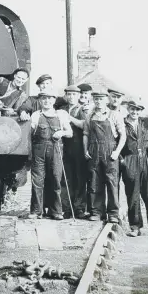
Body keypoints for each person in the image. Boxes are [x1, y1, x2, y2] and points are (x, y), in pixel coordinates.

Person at [28, 89, 73, 220]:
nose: (46, 101)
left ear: (54, 100)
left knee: (55, 178)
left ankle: (56, 211)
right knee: (37, 180)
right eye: (44, 99)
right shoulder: (36, 115)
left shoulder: (61, 115)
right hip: (38, 150)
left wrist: (61, 133)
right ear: (40, 101)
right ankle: (36, 210)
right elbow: (29, 135)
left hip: (56, 150)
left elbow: (70, 132)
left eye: (49, 98)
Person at [83, 89, 126, 223]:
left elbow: (123, 135)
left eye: (101, 99)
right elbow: (85, 134)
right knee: (94, 183)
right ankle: (96, 212)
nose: (98, 101)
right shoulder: (89, 116)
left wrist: (117, 152)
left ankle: (113, 213)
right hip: (94, 153)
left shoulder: (114, 115)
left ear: (106, 100)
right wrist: (85, 150)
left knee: (112, 183)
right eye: (96, 99)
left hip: (110, 153)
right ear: (93, 100)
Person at [120, 101, 148, 237]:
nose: (135, 112)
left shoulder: (146, 122)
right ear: (128, 109)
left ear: (141, 111)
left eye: (137, 110)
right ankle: (135, 227)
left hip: (145, 159)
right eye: (132, 109)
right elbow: (114, 141)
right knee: (133, 194)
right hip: (129, 159)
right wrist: (121, 159)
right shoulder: (122, 123)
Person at [59, 85, 89, 218]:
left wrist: (69, 118)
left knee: (80, 178)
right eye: (69, 94)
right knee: (66, 179)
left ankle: (79, 209)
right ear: (66, 96)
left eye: (74, 95)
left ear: (78, 96)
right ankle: (67, 208)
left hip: (79, 148)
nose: (71, 97)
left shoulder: (83, 109)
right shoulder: (61, 109)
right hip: (64, 147)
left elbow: (84, 125)